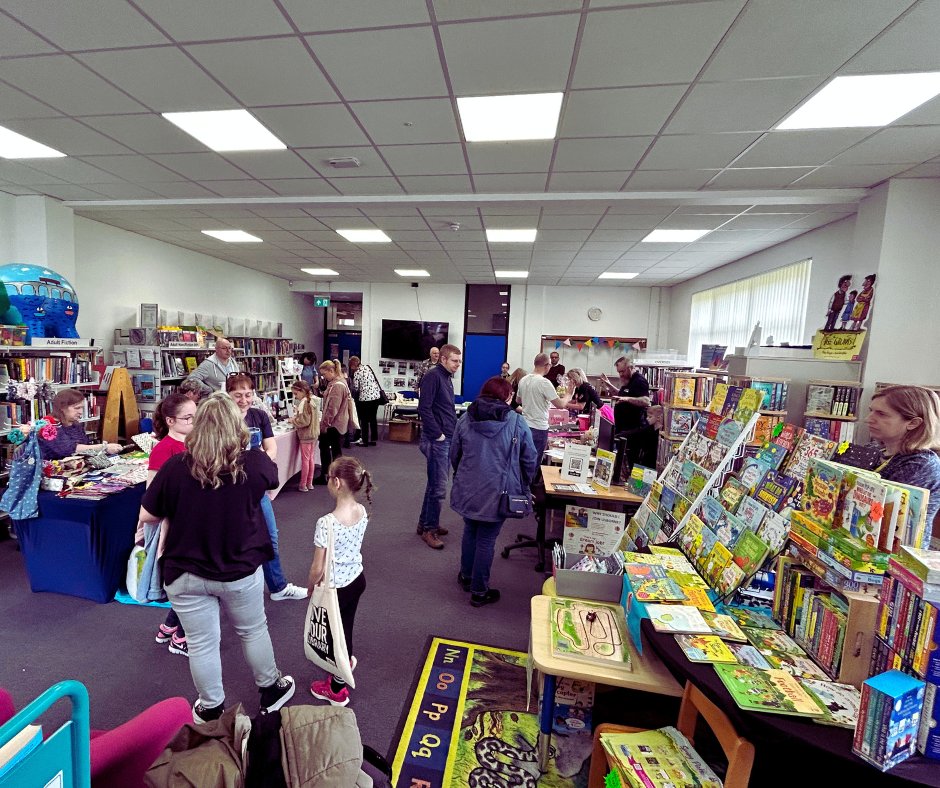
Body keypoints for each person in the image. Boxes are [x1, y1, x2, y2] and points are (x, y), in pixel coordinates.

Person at [139, 392, 295, 724]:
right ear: (235, 426)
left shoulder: (175, 467)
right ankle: (270, 689)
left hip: (184, 571)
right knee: (253, 630)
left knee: (200, 643)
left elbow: (147, 515)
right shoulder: (253, 462)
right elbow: (270, 484)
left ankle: (210, 706)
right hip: (239, 567)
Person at [450, 377, 537, 607]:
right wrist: (526, 483)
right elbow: (529, 459)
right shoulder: (517, 422)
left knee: (470, 530)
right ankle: (479, 591)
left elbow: (454, 454)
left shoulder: (466, 418)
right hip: (500, 490)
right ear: (507, 397)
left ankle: (466, 576)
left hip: (468, 487)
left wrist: (463, 475)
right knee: (487, 539)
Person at [226, 373, 307, 601]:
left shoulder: (258, 416)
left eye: (248, 394)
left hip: (255, 488)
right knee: (233, 540)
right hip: (229, 489)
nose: (244, 400)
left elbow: (271, 449)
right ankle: (233, 591)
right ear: (228, 395)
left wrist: (256, 462)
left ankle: (278, 587)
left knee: (270, 536)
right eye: (238, 395)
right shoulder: (222, 418)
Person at [306, 456, 373, 706]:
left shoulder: (327, 523)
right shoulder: (362, 510)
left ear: (335, 482)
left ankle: (337, 689)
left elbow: (317, 567)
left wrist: (311, 588)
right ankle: (347, 661)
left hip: (336, 588)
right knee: (345, 627)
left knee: (335, 635)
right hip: (356, 579)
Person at [146, 392, 197, 658]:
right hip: (175, 525)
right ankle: (181, 636)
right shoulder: (164, 449)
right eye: (187, 418)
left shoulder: (193, 443)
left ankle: (168, 626)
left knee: (187, 581)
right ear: (170, 420)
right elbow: (152, 494)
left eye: (195, 416)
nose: (193, 422)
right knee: (187, 583)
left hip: (189, 521)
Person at [868, 385, 940, 547]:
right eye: (871, 411)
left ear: (913, 423)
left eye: (881, 414)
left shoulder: (921, 464)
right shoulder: (874, 449)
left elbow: (883, 516)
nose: (869, 418)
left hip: (896, 559)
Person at [416, 344, 461, 549]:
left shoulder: (446, 378)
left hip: (445, 438)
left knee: (434, 484)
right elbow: (424, 408)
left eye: (459, 361)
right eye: (454, 360)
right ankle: (429, 530)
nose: (457, 365)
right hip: (437, 440)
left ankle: (424, 524)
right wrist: (439, 435)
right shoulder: (433, 376)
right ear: (442, 359)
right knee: (439, 488)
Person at [517, 353, 575, 461]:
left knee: (523, 460)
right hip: (538, 428)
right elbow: (561, 404)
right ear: (547, 365)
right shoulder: (544, 383)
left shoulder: (523, 380)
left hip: (524, 425)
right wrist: (569, 394)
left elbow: (518, 400)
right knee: (533, 462)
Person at [36, 388, 122, 460]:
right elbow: (69, 449)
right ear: (62, 407)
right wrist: (104, 447)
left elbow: (84, 445)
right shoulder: (49, 425)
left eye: (82, 408)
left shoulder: (74, 423)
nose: (81, 412)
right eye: (77, 408)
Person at [315, 360, 350, 484]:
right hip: (337, 423)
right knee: (335, 450)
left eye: (324, 374)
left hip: (333, 424)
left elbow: (332, 408)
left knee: (327, 449)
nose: (324, 377)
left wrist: (325, 424)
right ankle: (334, 476)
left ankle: (327, 475)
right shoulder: (338, 382)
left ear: (331, 371)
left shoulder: (337, 386)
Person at [601, 356, 651, 436]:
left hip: (633, 429)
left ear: (631, 368)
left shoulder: (639, 381)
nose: (620, 374)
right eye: (619, 372)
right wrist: (609, 385)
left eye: (622, 371)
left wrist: (627, 399)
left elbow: (646, 401)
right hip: (622, 428)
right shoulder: (627, 380)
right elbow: (621, 396)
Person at [290, 380, 320, 492]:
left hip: (306, 435)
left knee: (306, 460)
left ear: (301, 391)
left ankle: (303, 484)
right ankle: (309, 483)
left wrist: (294, 421)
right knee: (311, 459)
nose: (295, 397)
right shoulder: (312, 400)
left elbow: (304, 421)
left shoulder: (304, 403)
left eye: (296, 394)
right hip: (313, 433)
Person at [351, 356, 384, 447]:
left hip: (365, 399)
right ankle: (373, 439)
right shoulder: (368, 367)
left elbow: (356, 388)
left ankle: (364, 441)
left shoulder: (357, 373)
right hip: (376, 397)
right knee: (373, 418)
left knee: (364, 420)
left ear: (353, 365)